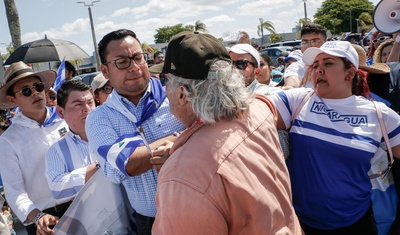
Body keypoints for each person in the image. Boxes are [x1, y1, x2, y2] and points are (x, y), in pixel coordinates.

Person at [152, 31, 302, 234]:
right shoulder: (259, 110)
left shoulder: (181, 176)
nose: (164, 90)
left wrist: (186, 155)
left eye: (165, 81)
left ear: (181, 94)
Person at [268, 40, 400, 234]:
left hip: (357, 224)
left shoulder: (379, 114)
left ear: (350, 73)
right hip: (300, 224)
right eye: (315, 65)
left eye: (328, 63)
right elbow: (254, 111)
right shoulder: (297, 100)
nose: (318, 70)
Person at [85, 29, 185, 235]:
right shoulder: (100, 117)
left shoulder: (177, 93)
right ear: (105, 71)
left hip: (198, 209)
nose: (134, 67)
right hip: (149, 223)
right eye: (122, 62)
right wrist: (178, 140)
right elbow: (121, 166)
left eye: (138, 58)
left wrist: (173, 146)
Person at [0, 62, 69, 235]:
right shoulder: (9, 141)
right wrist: (37, 216)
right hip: (43, 222)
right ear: (12, 100)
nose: (36, 93)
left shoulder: (65, 120)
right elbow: (14, 191)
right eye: (26, 90)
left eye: (38, 87)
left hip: (82, 206)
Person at [45, 80, 98, 205]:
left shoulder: (112, 134)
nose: (87, 109)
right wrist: (94, 169)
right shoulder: (57, 150)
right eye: (78, 105)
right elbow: (56, 188)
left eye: (90, 102)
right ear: (60, 112)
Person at [284, 23, 327, 88]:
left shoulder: (339, 63)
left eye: (315, 41)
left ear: (325, 43)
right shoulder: (297, 67)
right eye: (305, 42)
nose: (309, 46)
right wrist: (290, 88)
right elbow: (293, 79)